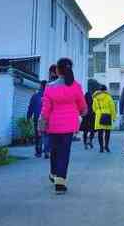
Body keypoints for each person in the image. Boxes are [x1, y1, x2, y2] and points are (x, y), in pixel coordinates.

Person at [41, 58, 87, 194]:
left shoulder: (49, 87)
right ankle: (60, 183)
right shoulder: (76, 86)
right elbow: (82, 106)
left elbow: (46, 108)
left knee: (54, 152)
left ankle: (54, 174)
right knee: (64, 153)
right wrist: (83, 112)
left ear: (57, 70)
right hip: (69, 125)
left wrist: (42, 121)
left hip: (53, 125)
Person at [27, 80, 49, 158]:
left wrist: (28, 117)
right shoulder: (49, 95)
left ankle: (39, 152)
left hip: (37, 117)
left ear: (40, 86)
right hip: (47, 117)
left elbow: (31, 107)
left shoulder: (35, 96)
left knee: (38, 134)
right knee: (47, 134)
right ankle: (46, 151)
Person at [93, 85, 116, 153]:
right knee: (107, 132)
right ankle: (106, 146)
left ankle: (101, 148)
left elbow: (94, 108)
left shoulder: (95, 98)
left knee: (100, 133)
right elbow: (112, 107)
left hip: (99, 115)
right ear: (105, 90)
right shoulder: (108, 97)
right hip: (107, 115)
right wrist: (113, 117)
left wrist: (98, 112)